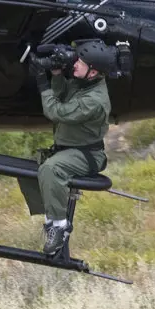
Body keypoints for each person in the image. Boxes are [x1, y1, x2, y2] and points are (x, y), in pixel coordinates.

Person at [30, 39, 117, 255]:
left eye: (80, 61)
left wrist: (42, 82)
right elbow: (62, 94)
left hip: (86, 154)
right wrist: (57, 73)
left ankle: (59, 227)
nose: (75, 63)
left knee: (51, 169)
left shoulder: (94, 100)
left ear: (93, 71)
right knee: (36, 166)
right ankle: (51, 213)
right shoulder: (85, 83)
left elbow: (56, 112)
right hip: (70, 148)